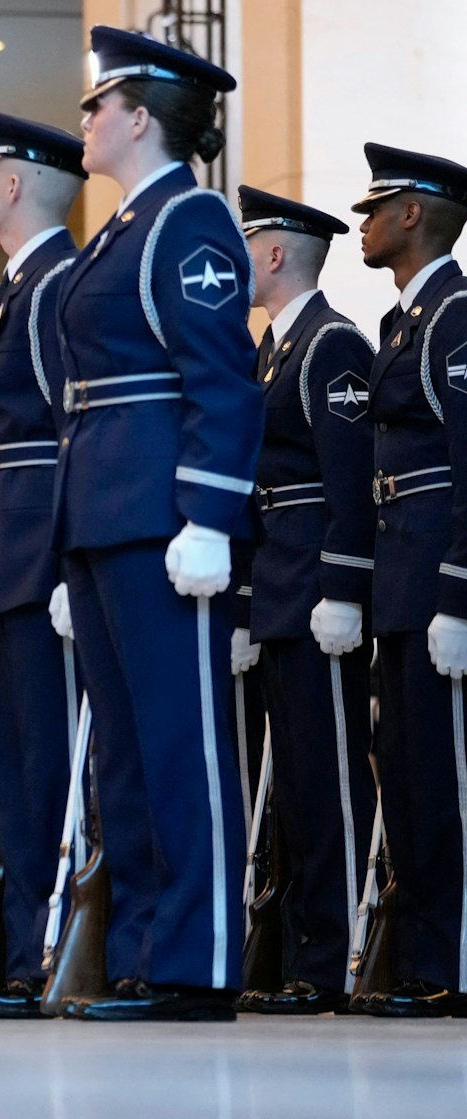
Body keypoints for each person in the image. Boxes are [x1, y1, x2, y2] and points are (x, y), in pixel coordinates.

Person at [49, 28, 258, 1021]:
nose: (84, 120)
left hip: (159, 518)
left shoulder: (188, 223)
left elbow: (221, 382)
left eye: (98, 105)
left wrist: (208, 513)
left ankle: (197, 959)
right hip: (101, 517)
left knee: (182, 745)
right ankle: (140, 949)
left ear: (137, 117)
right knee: (123, 754)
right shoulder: (122, 229)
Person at [227, 185, 376, 1014]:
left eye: (250, 244)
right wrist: (249, 603)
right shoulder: (271, 351)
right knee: (286, 789)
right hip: (278, 590)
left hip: (316, 588)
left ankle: (333, 959)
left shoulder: (330, 347)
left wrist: (344, 585)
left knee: (328, 784)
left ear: (277, 253)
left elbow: (350, 485)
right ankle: (287, 951)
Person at [0, 111, 87, 1019]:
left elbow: (72, 426)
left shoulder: (55, 286)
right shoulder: (17, 285)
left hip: (38, 541)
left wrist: (67, 559)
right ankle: (16, 941)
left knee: (46, 754)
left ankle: (46, 944)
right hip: (3, 541)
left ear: (13, 185)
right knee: (13, 754)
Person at [349, 143, 467, 1016]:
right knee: (408, 770)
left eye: (377, 206)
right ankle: (423, 958)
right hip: (401, 577)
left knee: (444, 777)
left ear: (416, 213)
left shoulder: (454, 317)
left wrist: (457, 590)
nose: (365, 220)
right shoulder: (407, 322)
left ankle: (453, 963)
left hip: (434, 581)